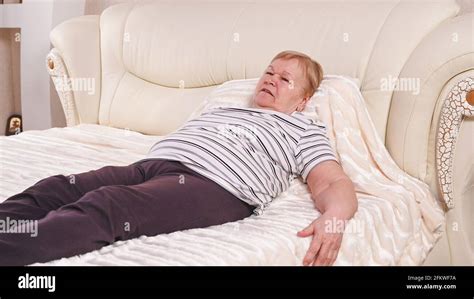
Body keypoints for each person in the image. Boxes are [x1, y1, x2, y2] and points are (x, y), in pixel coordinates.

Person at [0, 50, 357, 266]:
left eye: (285, 79)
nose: (271, 80)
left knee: (108, 205)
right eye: (269, 72)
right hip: (153, 167)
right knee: (58, 188)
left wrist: (335, 218)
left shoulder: (302, 128)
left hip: (217, 187)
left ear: (302, 101)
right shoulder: (225, 109)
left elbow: (332, 181)